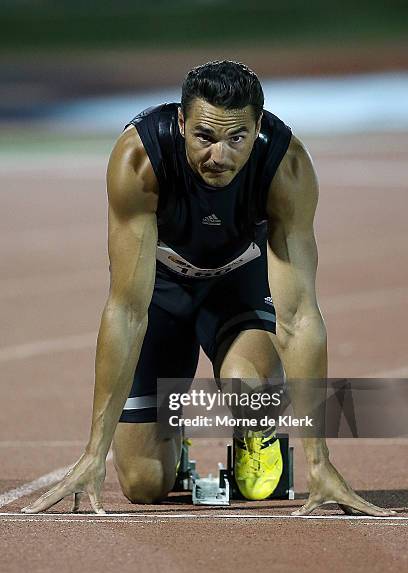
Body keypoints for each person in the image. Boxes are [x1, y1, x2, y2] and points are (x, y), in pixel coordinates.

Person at [22, 61, 392, 516]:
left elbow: (298, 316)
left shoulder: (285, 165)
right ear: (181, 122)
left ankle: (256, 431)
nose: (219, 156)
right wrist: (93, 454)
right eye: (204, 137)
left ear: (258, 128)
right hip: (162, 293)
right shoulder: (141, 157)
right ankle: (177, 437)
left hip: (238, 287)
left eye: (237, 138)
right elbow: (126, 311)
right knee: (143, 483)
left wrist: (320, 461)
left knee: (248, 392)